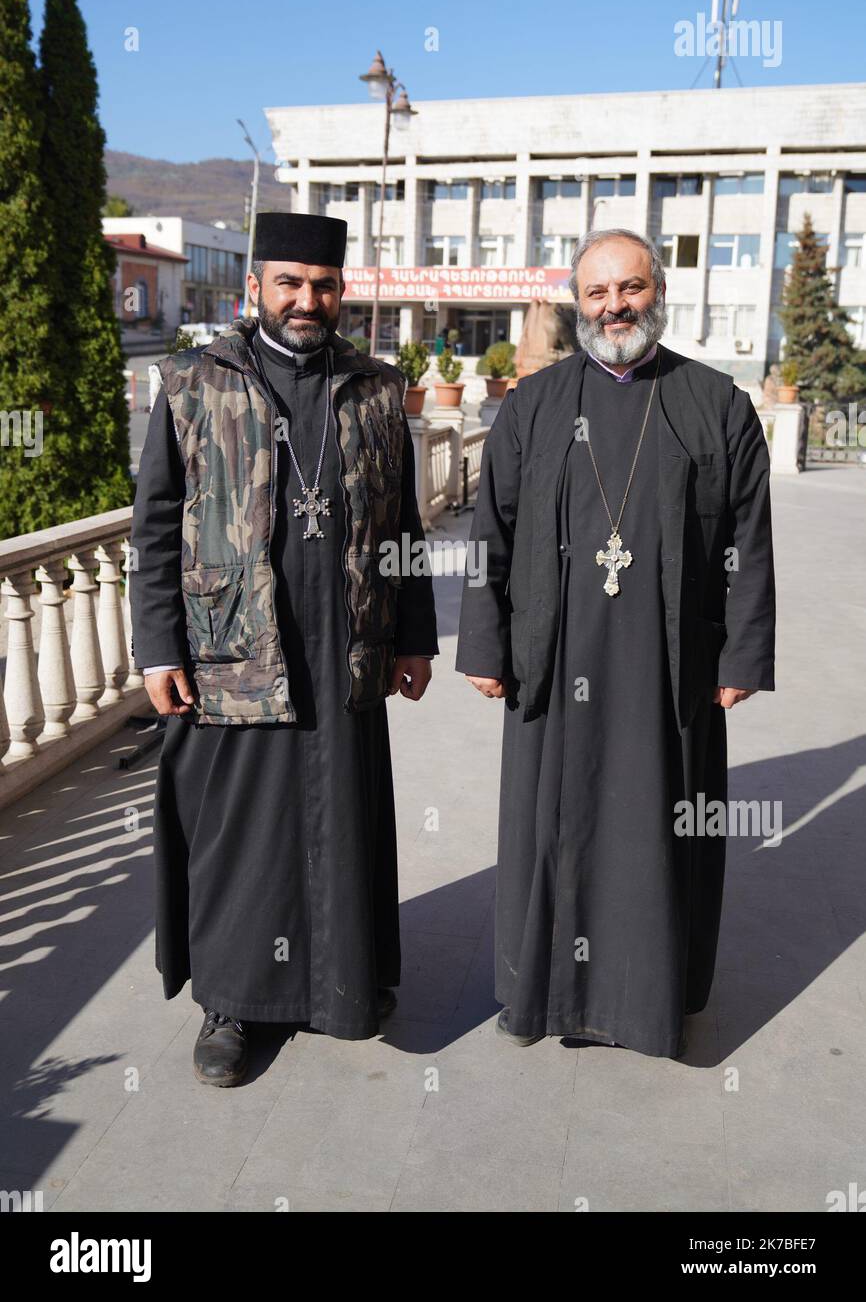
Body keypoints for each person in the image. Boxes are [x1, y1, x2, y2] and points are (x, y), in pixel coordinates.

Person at [131, 212, 438, 1087]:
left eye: (325, 285)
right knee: (241, 837)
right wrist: (159, 650)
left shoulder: (377, 390)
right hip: (234, 648)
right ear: (255, 288)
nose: (308, 300)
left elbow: (402, 526)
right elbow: (155, 527)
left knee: (343, 819)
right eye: (291, 283)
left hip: (347, 645)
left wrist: (414, 635)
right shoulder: (193, 383)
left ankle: (342, 986)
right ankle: (230, 1005)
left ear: (342, 291)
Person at [455, 228, 775, 1059]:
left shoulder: (717, 403)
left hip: (672, 668)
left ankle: (647, 1001)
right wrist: (485, 646)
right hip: (551, 662)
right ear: (577, 302)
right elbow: (492, 530)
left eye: (630, 288)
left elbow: (750, 538)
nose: (615, 307)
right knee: (548, 830)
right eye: (597, 293)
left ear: (657, 293)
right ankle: (543, 993)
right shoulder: (532, 404)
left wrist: (741, 656)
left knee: (659, 833)